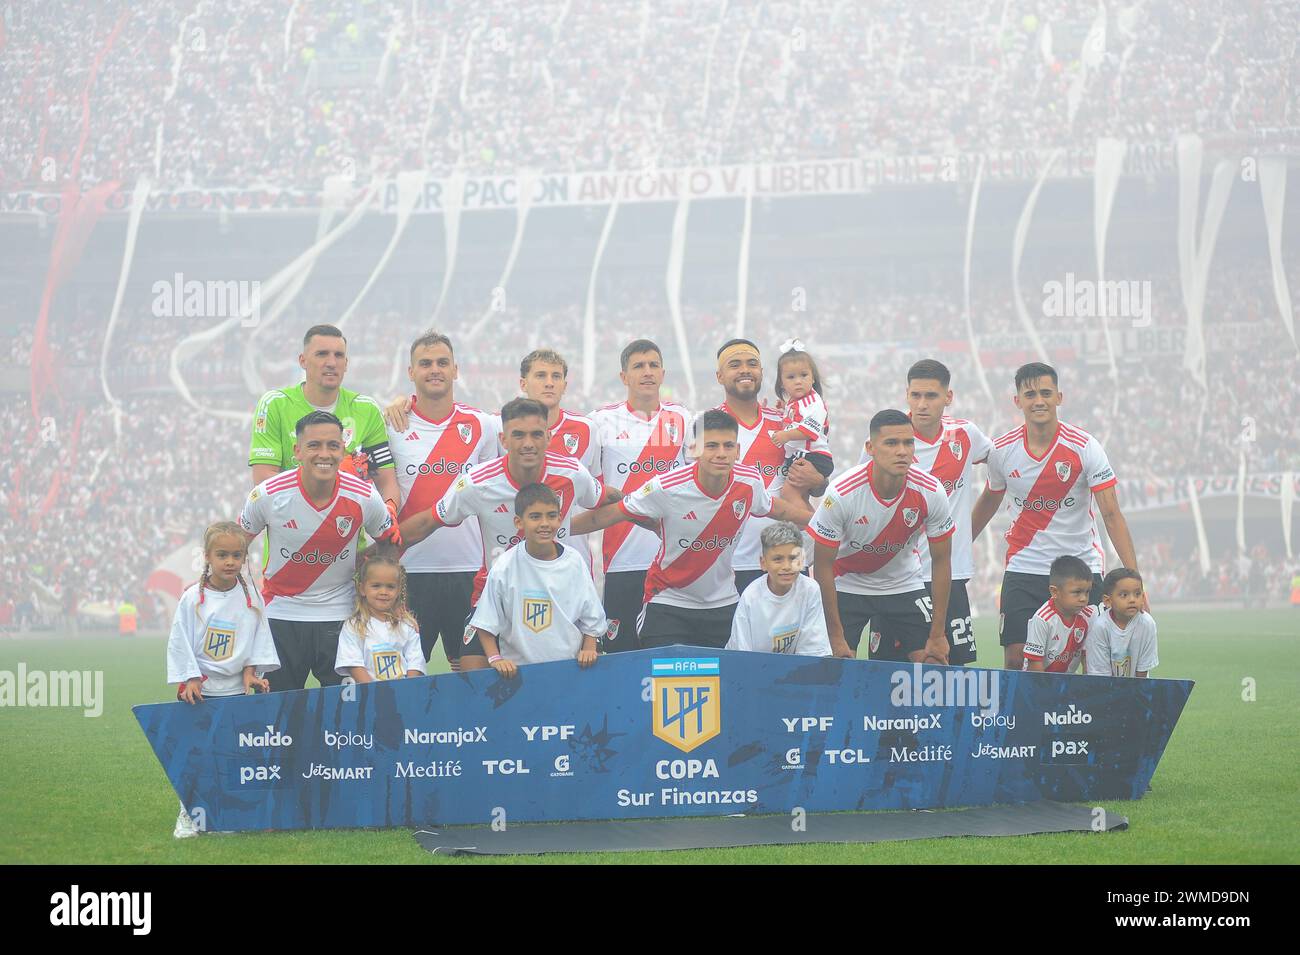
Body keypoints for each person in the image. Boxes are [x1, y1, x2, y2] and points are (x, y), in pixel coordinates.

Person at [580, 409, 815, 649]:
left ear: (738, 451)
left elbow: (779, 509)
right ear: (695, 450)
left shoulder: (749, 482)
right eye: (711, 446)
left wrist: (821, 523)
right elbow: (607, 516)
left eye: (728, 446)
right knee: (668, 683)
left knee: (724, 684)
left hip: (722, 604)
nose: (721, 454)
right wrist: (562, 529)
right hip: (669, 604)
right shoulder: (667, 487)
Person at [398, 398, 603, 669]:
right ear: (503, 439)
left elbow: (603, 502)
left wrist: (642, 509)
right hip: (494, 597)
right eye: (518, 435)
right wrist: (375, 552)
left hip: (558, 595)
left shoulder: (573, 473)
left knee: (571, 682)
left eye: (536, 434)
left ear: (549, 437)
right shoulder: (478, 483)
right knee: (473, 682)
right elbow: (428, 521)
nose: (528, 443)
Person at [971, 362, 1142, 671]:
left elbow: (1112, 514)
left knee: (1094, 658)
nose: (1039, 401)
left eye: (1046, 393)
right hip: (1025, 567)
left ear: (1059, 397)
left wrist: (1134, 580)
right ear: (1018, 401)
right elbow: (988, 502)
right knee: (1016, 657)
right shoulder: (1002, 451)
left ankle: (1082, 718)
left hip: (1081, 569)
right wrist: (952, 549)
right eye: (1030, 394)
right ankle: (1019, 720)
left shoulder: (1085, 447)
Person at [238, 411, 401, 691]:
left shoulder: (364, 496)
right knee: (281, 717)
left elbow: (389, 542)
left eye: (333, 446)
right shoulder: (268, 495)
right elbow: (236, 544)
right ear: (297, 451)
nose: (323, 454)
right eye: (314, 445)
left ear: (343, 451)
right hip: (281, 616)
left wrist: (372, 587)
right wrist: (244, 601)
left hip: (342, 617)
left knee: (348, 715)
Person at [385, 331, 500, 671]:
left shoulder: (483, 425)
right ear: (411, 373)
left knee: (471, 677)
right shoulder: (390, 424)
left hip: (468, 571)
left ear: (455, 370)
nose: (434, 370)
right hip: (408, 570)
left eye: (442, 363)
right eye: (425, 363)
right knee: (402, 676)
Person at [809, 409, 955, 663]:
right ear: (871, 447)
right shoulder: (842, 493)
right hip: (848, 584)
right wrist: (835, 635)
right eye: (891, 443)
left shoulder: (931, 491)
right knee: (837, 666)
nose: (902, 451)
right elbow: (822, 565)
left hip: (903, 583)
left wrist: (938, 634)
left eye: (908, 443)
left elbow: (942, 561)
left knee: (933, 663)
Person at [166, 521, 279, 838]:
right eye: (222, 555)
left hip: (235, 692)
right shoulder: (192, 598)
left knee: (232, 755)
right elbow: (180, 640)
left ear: (245, 557)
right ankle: (188, 813)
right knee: (197, 754)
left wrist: (251, 672)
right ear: (207, 557)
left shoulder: (250, 596)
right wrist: (189, 677)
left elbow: (258, 633)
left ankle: (228, 815)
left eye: (237, 555)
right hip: (201, 692)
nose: (230, 562)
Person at [590, 339, 690, 652]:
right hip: (623, 560)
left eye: (653, 365)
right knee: (622, 658)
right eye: (638, 366)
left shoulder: (684, 420)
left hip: (671, 561)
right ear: (624, 376)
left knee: (669, 657)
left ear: (663, 373)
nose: (647, 372)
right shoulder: (600, 422)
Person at [891, 358, 992, 665]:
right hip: (897, 577)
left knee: (951, 671)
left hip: (950, 575)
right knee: (891, 673)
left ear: (948, 397)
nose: (922, 405)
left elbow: (1002, 473)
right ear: (906, 395)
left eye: (931, 396)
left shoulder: (966, 435)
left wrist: (966, 533)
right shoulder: (889, 439)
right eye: (916, 395)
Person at [714, 338, 823, 596]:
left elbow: (817, 482)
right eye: (735, 364)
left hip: (790, 559)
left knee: (794, 636)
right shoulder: (707, 426)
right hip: (731, 563)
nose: (744, 370)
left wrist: (817, 480)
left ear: (762, 373)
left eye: (752, 364)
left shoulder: (787, 422)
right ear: (720, 376)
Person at [248, 324, 399, 507]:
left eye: (338, 355)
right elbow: (264, 478)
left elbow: (386, 482)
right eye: (322, 354)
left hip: (348, 532)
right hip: (291, 530)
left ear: (346, 364)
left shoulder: (367, 409)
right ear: (302, 361)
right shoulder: (274, 404)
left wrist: (389, 515)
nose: (331, 362)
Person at [469, 484, 606, 678]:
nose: (544, 523)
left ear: (560, 519)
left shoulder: (574, 562)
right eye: (535, 517)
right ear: (518, 522)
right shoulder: (505, 565)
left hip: (568, 670)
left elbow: (592, 616)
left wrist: (589, 647)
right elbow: (485, 622)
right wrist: (495, 659)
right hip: (519, 675)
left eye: (551, 516)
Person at [726, 521, 831, 656]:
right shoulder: (750, 597)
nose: (787, 566)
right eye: (778, 559)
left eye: (793, 558)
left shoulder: (810, 589)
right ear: (763, 563)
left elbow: (813, 652)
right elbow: (741, 657)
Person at [335, 551, 425, 683]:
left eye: (390, 587)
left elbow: (415, 662)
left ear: (398, 590)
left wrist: (408, 690)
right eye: (376, 586)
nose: (383, 592)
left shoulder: (407, 625)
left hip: (403, 694)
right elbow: (354, 664)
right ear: (362, 589)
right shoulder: (354, 626)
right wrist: (374, 693)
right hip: (368, 695)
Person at [768, 340, 835, 480]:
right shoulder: (794, 402)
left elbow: (808, 431)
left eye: (803, 375)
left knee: (790, 493)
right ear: (782, 383)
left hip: (814, 456)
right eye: (791, 377)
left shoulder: (814, 403)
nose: (798, 381)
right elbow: (795, 419)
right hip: (800, 454)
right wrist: (783, 408)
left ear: (813, 379)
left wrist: (785, 436)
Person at [1022, 555, 1096, 673]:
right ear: (1054, 591)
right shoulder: (1042, 619)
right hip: (1037, 684)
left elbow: (1088, 658)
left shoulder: (1090, 615)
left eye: (1087, 592)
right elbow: (1035, 665)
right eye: (1077, 592)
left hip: (1066, 684)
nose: (1083, 598)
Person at [1085, 567, 1158, 677]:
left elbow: (1142, 672)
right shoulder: (1100, 627)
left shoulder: (1147, 623)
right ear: (1108, 601)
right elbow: (1101, 676)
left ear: (1143, 597)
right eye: (1124, 595)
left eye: (1137, 594)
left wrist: (1137, 692)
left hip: (1138, 688)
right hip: (1106, 688)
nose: (1132, 599)